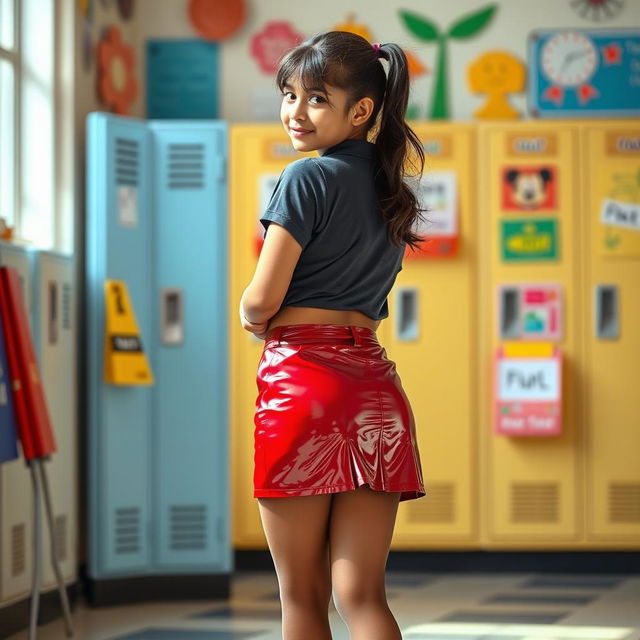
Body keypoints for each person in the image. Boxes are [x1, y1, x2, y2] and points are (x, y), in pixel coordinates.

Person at [239, 30, 427, 640]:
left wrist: (249, 313)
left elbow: (264, 297)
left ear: (361, 110)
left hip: (302, 386)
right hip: (376, 393)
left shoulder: (305, 178)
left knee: (303, 597)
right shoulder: (391, 190)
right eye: (289, 94)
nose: (296, 111)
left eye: (316, 98)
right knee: (363, 595)